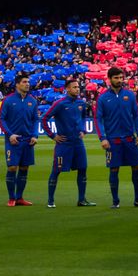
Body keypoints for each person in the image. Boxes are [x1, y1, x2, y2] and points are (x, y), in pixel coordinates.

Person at [95, 67, 138, 208]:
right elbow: (98, 119)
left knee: (137, 167)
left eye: (121, 77)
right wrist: (103, 138)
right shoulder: (103, 97)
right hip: (113, 141)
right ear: (110, 79)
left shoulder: (129, 95)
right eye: (116, 78)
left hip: (130, 140)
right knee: (114, 169)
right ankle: (115, 201)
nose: (119, 80)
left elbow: (136, 116)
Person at [42, 78, 94, 208]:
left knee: (83, 169)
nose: (77, 89)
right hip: (64, 143)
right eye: (74, 87)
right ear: (68, 89)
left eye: (78, 87)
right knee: (56, 170)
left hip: (78, 142)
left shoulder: (81, 103)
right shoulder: (59, 104)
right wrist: (53, 136)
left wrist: (82, 129)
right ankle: (50, 200)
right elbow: (44, 119)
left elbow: (83, 117)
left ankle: (81, 200)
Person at [0, 73, 38, 207]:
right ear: (17, 84)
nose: (27, 84)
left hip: (27, 140)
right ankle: (11, 198)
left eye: (28, 82)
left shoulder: (32, 101)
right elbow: (1, 118)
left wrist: (35, 135)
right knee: (12, 167)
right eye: (24, 82)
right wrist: (9, 134)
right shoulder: (8, 100)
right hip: (13, 139)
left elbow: (35, 120)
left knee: (24, 168)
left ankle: (20, 197)